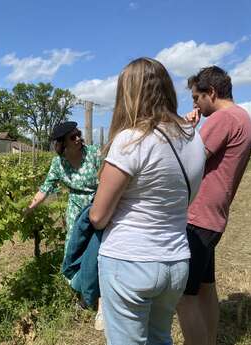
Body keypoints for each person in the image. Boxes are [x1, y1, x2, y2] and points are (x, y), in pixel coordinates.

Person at [89, 57, 206, 344]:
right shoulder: (193, 139)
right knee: (159, 337)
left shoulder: (131, 140)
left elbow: (98, 216)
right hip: (175, 261)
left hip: (130, 261)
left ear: (128, 94)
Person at [177, 66, 251, 345]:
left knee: (184, 296)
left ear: (211, 92)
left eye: (197, 98)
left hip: (198, 216)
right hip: (214, 216)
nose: (194, 104)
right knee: (207, 287)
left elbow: (190, 160)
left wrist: (187, 131)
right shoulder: (243, 117)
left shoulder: (223, 118)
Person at [27, 121, 103, 329]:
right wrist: (28, 209)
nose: (78, 138)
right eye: (72, 137)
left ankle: (100, 300)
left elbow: (107, 181)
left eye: (78, 134)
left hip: (99, 205)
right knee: (75, 250)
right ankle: (82, 292)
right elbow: (45, 188)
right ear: (61, 144)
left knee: (98, 250)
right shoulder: (58, 163)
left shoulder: (94, 154)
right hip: (76, 209)